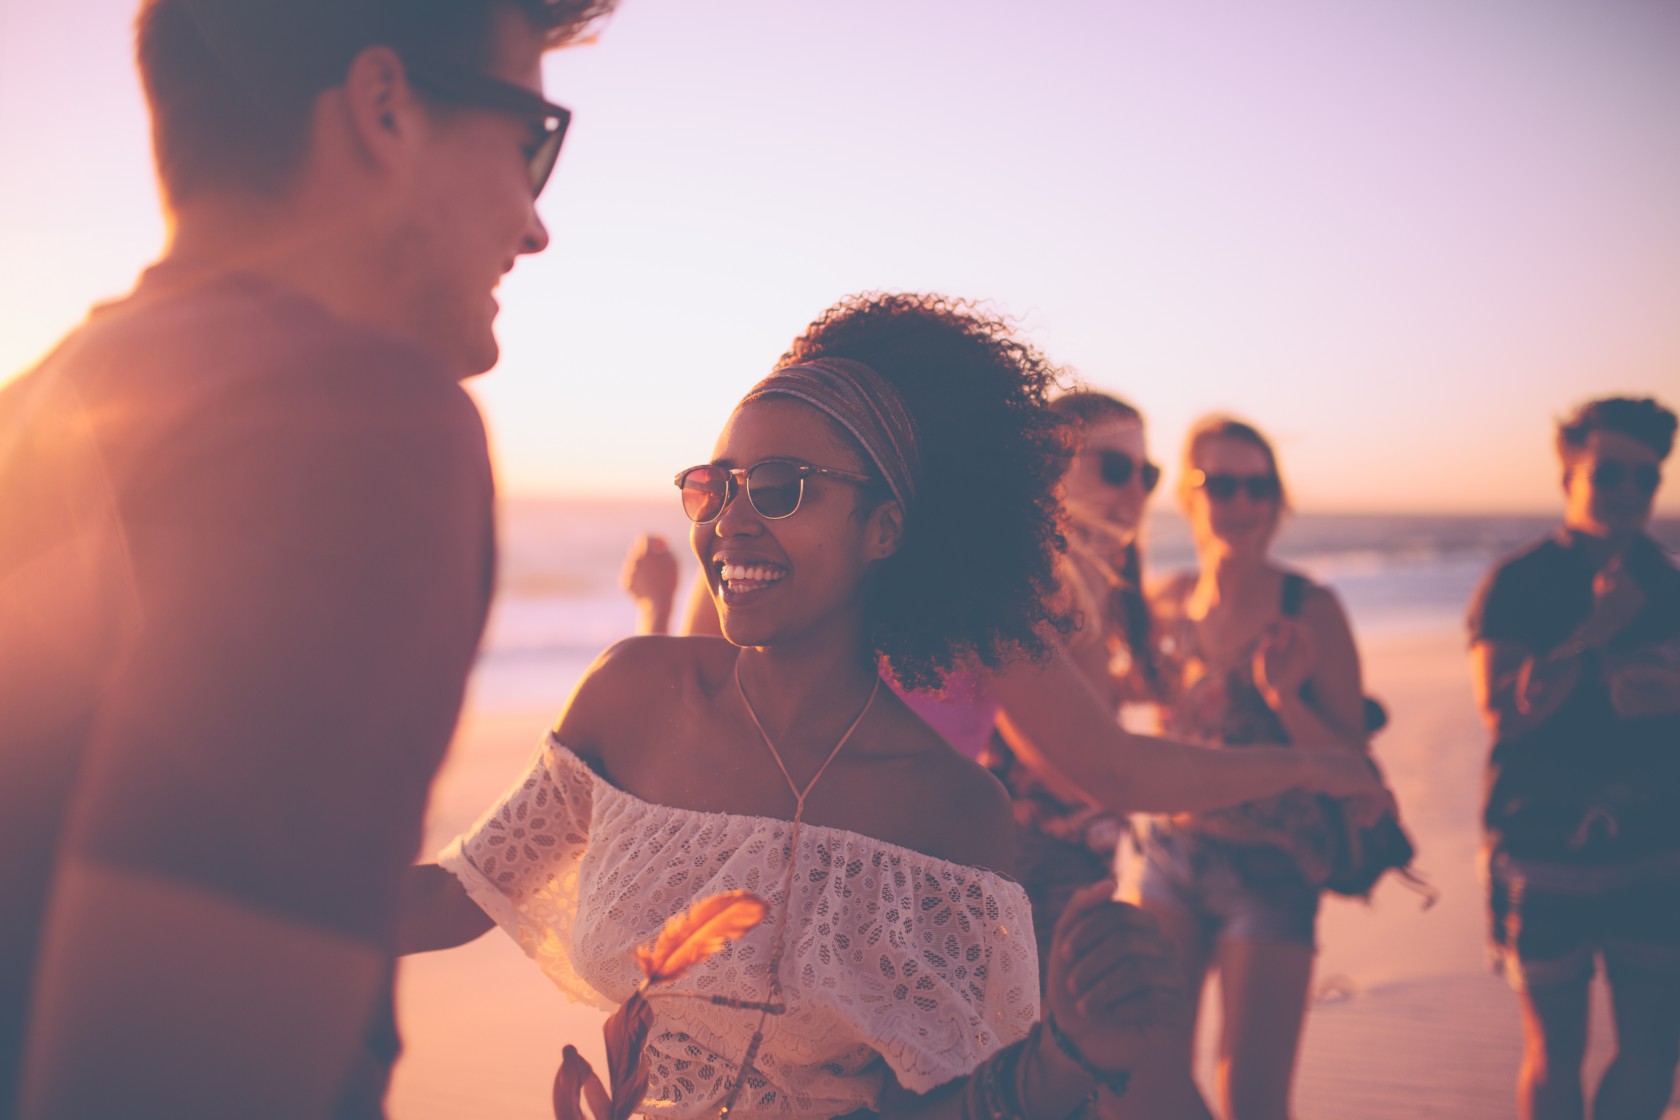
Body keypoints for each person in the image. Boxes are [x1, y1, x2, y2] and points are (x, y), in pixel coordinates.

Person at [0, 0, 614, 1115]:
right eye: (536, 138)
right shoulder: (353, 424)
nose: (535, 226)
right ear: (385, 105)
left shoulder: (42, 405)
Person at [402, 293, 1183, 1119]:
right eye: (713, 487)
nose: (731, 522)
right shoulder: (629, 699)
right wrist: (256, 903)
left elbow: (956, 1101)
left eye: (780, 487)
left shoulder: (952, 810)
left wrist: (1070, 1054)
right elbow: (454, 898)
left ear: (884, 528)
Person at [1117, 416, 1372, 1120]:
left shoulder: (1310, 609)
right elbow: (1127, 697)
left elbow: (1353, 765)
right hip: (1169, 858)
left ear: (1276, 498)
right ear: (1190, 497)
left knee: (1250, 1100)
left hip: (1271, 871)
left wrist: (1283, 698)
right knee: (1140, 1085)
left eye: (1257, 486)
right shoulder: (1167, 602)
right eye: (1219, 484)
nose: (1241, 503)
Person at [1468, 396, 1680, 1120]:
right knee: (1553, 1053)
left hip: (1659, 844)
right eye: (1609, 471)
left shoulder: (1675, 582)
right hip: (1540, 842)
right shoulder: (1520, 582)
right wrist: (1600, 628)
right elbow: (1503, 713)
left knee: (1654, 1051)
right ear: (1568, 473)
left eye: (1645, 478)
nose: (1627, 490)